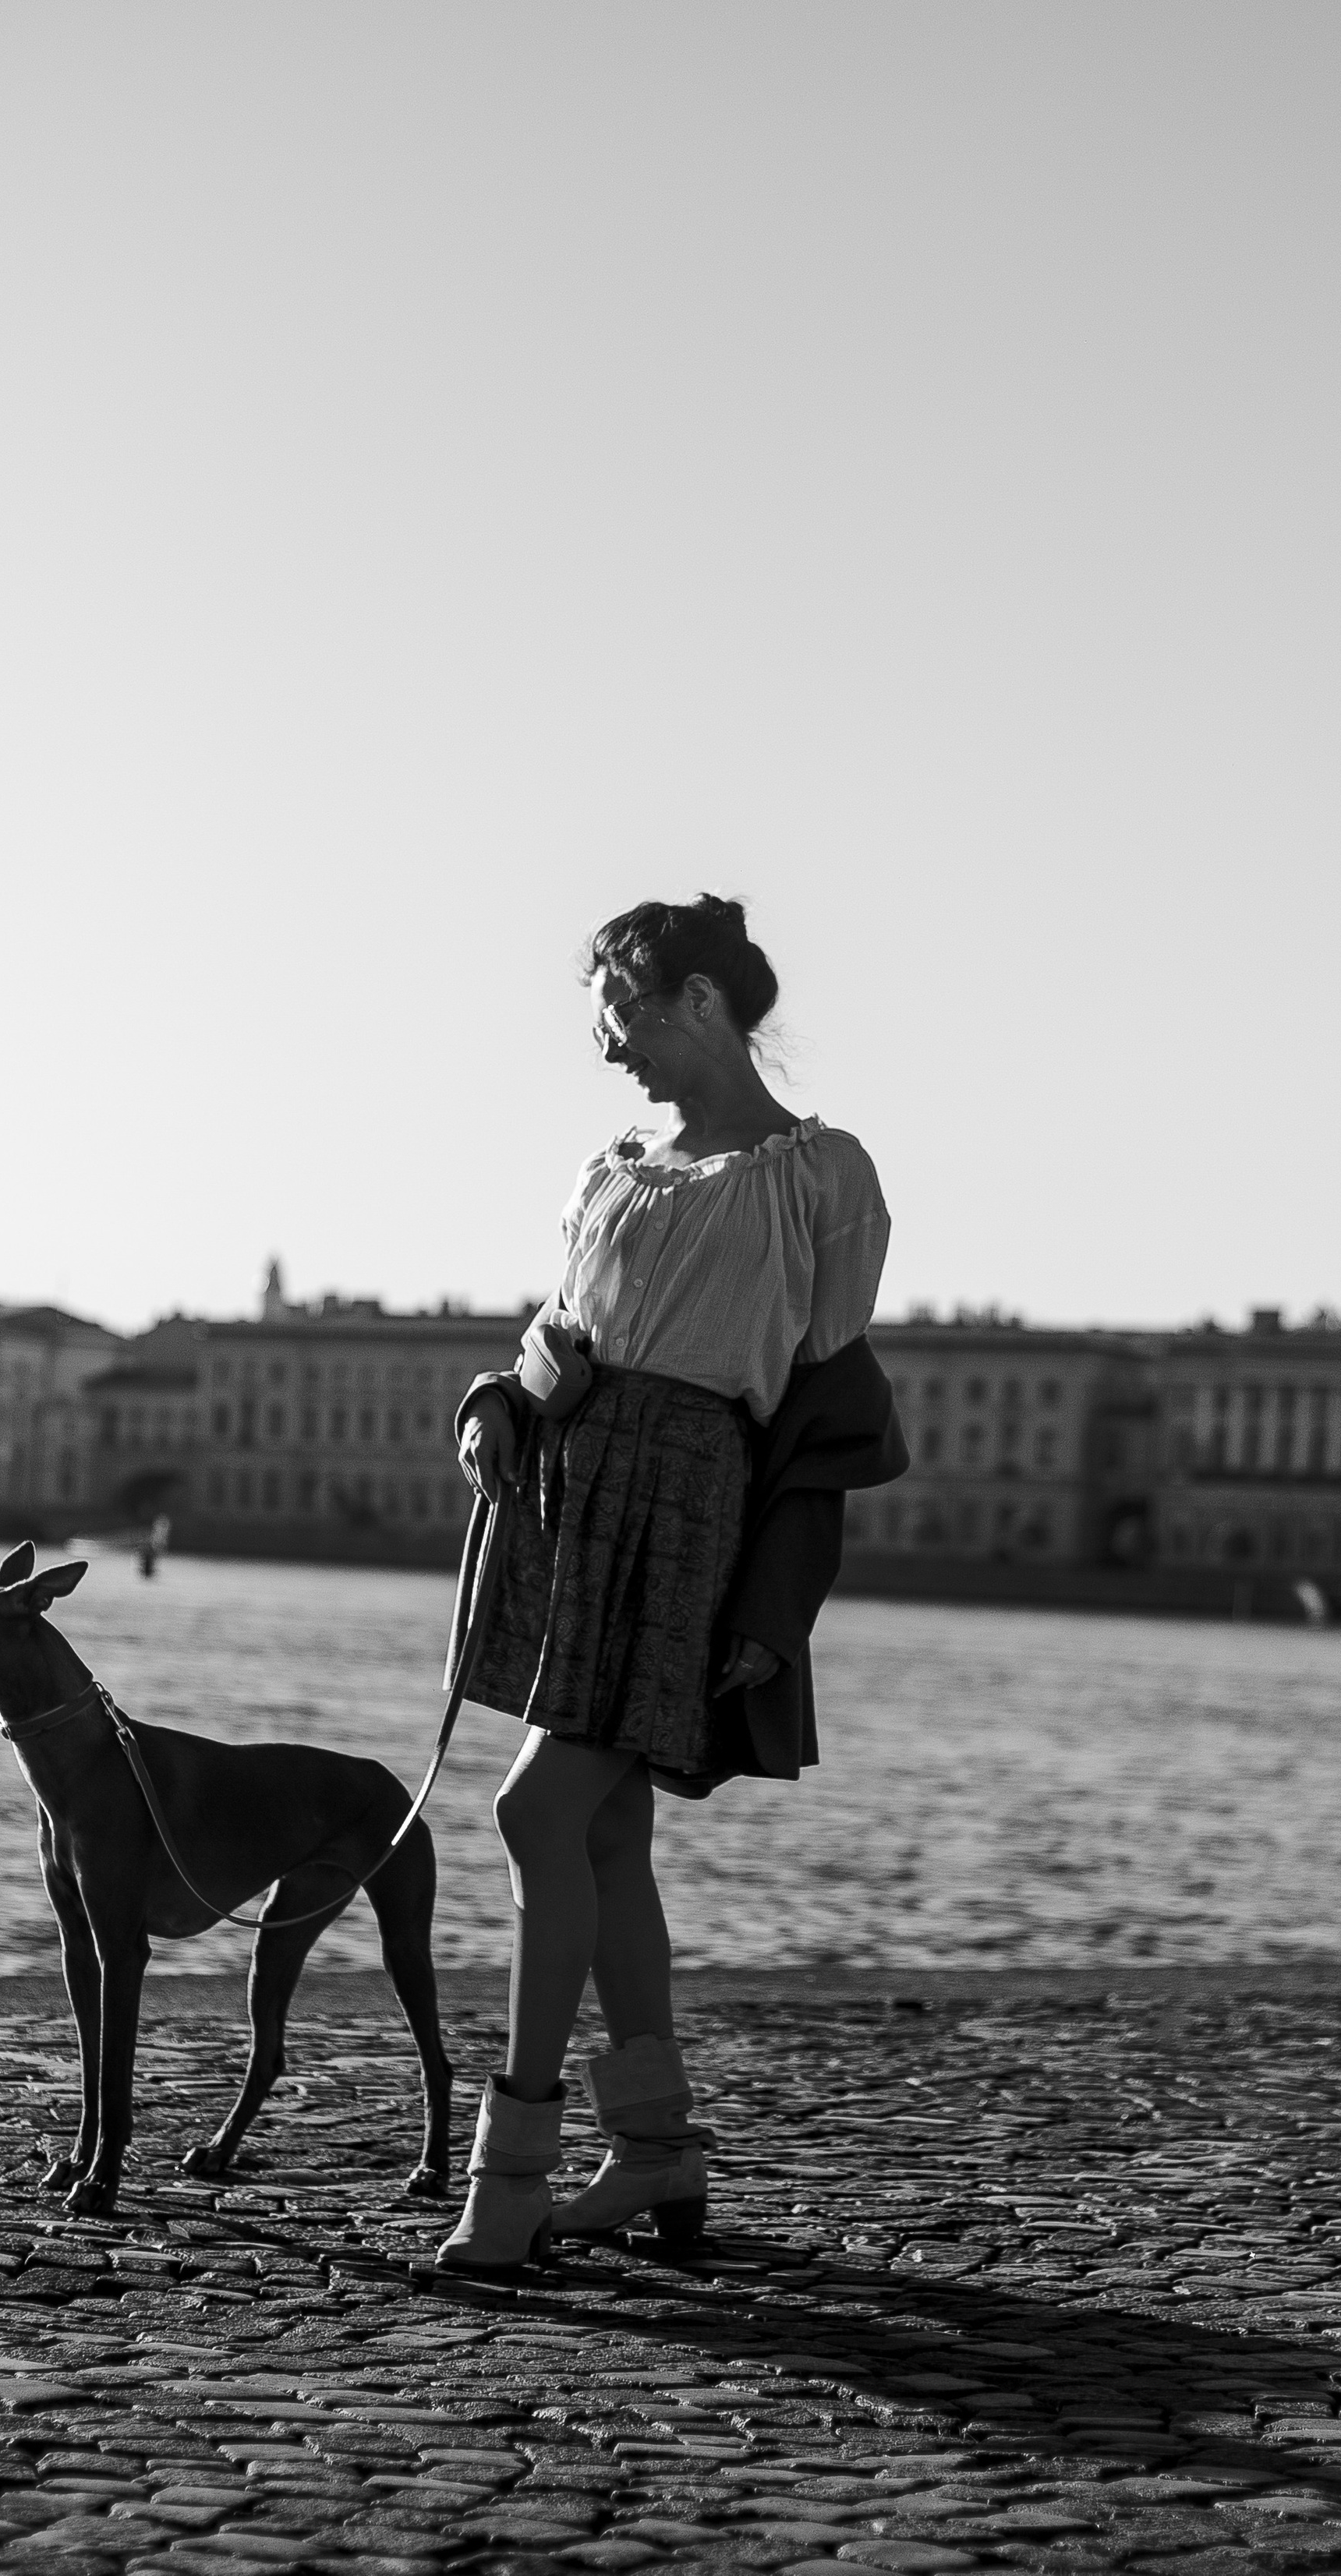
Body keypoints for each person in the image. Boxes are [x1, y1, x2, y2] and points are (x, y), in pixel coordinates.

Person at [435, 892, 906, 2273]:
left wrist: (775, 1604)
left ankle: (512, 2168)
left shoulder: (823, 1179)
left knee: (536, 1813)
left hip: (690, 1506)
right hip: (572, 1496)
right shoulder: (611, 1170)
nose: (607, 1048)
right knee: (601, 1840)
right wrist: (498, 1400)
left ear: (701, 1001)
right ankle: (654, 2154)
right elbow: (558, 1333)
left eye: (621, 1015)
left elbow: (825, 1413)